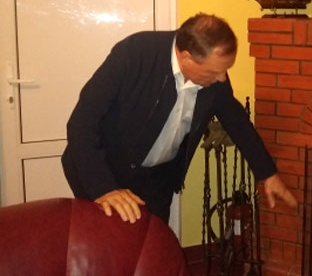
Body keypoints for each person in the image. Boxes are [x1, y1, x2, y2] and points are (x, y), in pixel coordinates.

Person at [62, 13, 296, 224]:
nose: (222, 79)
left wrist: (267, 173)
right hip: (102, 169)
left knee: (152, 248)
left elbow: (236, 120)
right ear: (186, 58)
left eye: (224, 70)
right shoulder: (135, 53)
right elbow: (82, 124)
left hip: (155, 180)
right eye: (213, 72)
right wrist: (105, 189)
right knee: (106, 246)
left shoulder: (214, 78)